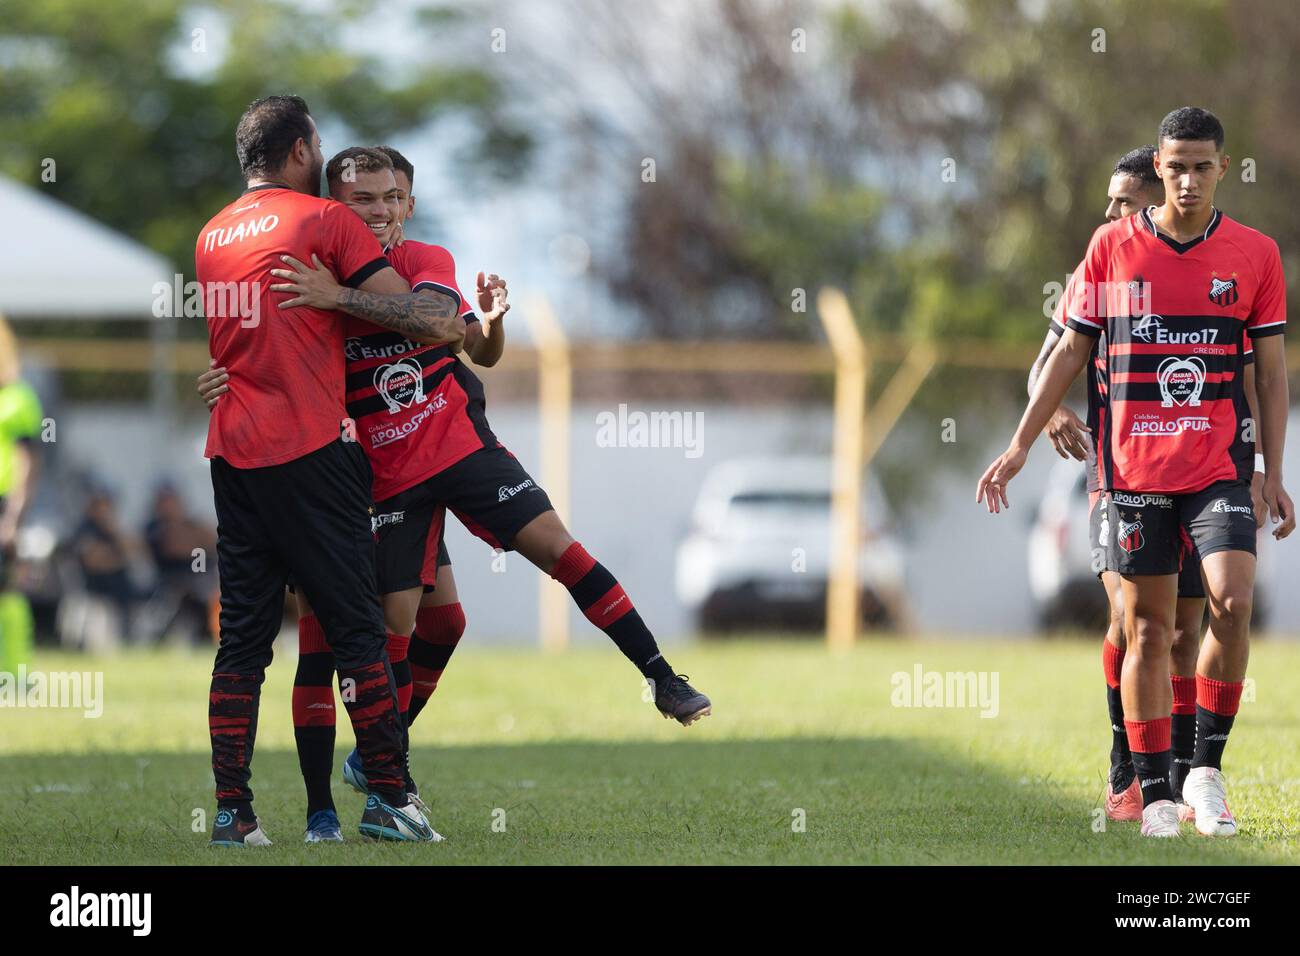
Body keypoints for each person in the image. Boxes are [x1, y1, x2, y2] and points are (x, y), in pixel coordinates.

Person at [201, 145, 711, 842]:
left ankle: (660, 675)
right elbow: (266, 352)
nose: (378, 210)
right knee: (402, 627)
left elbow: (464, 340)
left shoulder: (421, 263)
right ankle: (376, 787)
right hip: (379, 479)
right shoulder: (310, 279)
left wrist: (488, 324)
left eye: (391, 197)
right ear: (333, 209)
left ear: (409, 204)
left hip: (461, 449)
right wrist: (225, 379)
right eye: (362, 200)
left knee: (557, 550)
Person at [979, 107, 1294, 838]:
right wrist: (1023, 441)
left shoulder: (1255, 255)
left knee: (1230, 603)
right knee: (1145, 631)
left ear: (1222, 167)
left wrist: (1272, 470)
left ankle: (1204, 772)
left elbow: (1272, 376)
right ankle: (1151, 794)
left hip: (1218, 468)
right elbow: (1063, 353)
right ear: (1158, 164)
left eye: (1202, 165)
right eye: (1175, 165)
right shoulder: (1110, 248)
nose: (1187, 179)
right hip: (1132, 476)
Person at [196, 95, 465, 846]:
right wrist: (347, 293)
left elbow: (242, 346)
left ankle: (232, 813)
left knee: (243, 642)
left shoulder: (212, 233)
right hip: (311, 453)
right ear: (300, 149)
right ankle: (388, 798)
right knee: (358, 630)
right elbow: (421, 316)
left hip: (232, 455)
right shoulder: (323, 221)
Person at [1027, 145, 1264, 823]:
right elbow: (1050, 362)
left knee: (1187, 629)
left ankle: (1187, 774)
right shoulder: (1100, 268)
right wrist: (1049, 419)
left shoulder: (1208, 271)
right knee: (1132, 623)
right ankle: (1125, 765)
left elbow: (1244, 372)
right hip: (1119, 475)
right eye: (1111, 202)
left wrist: (1251, 465)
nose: (1111, 213)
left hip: (1197, 472)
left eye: (1123, 202)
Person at [0, 317, 42, 675]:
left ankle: (13, 672)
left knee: (7, 588)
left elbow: (26, 461)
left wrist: (13, 517)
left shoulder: (18, 399)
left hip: (3, 501)